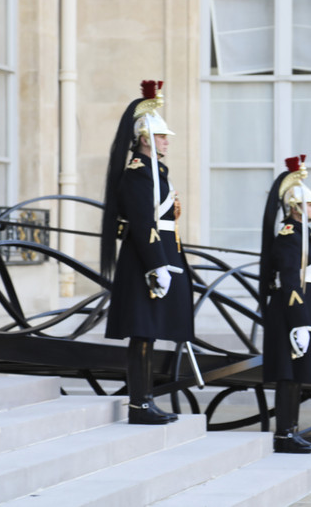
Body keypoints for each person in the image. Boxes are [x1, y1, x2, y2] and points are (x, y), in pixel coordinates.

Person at [100, 80, 194, 425]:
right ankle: (139, 403)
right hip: (145, 262)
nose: (167, 140)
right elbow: (142, 224)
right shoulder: (139, 175)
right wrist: (157, 265)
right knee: (143, 335)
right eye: (161, 136)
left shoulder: (157, 173)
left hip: (159, 258)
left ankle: (146, 400)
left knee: (150, 335)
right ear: (144, 139)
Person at [258, 155, 311, 453]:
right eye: (310, 204)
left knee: (297, 375)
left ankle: (292, 431)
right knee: (288, 375)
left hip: (305, 308)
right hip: (291, 311)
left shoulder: (302, 234)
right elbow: (290, 281)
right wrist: (299, 322)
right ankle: (284, 434)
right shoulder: (289, 236)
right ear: (296, 207)